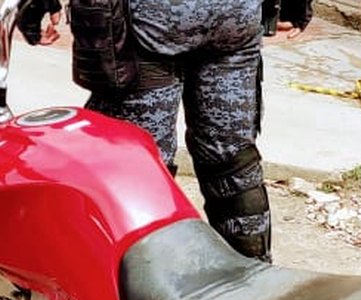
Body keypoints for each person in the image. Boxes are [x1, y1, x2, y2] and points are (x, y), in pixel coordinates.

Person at [19, 0, 314, 262]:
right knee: (232, 162)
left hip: (149, 26)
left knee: (137, 172)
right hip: (233, 19)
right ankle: (255, 287)